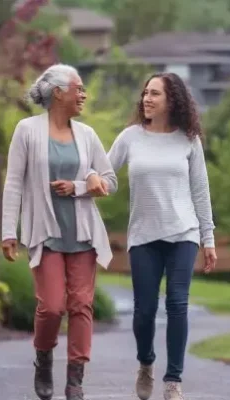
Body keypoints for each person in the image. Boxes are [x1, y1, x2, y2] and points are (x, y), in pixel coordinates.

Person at [89, 72, 218, 400]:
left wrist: (208, 238)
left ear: (172, 100)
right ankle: (146, 363)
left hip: (183, 232)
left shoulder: (188, 140)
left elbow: (200, 190)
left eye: (155, 93)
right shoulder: (131, 137)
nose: (147, 98)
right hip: (144, 235)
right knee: (144, 310)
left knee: (177, 303)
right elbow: (108, 174)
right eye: (145, 92)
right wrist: (96, 182)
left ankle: (173, 380)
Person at [0, 63, 115, 400]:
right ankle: (44, 357)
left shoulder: (88, 135)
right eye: (78, 88)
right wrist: (9, 231)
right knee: (51, 307)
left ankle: (75, 379)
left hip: (82, 234)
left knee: (81, 304)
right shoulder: (27, 130)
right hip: (45, 232)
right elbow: (13, 183)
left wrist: (82, 185)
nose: (84, 94)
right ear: (57, 92)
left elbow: (110, 181)